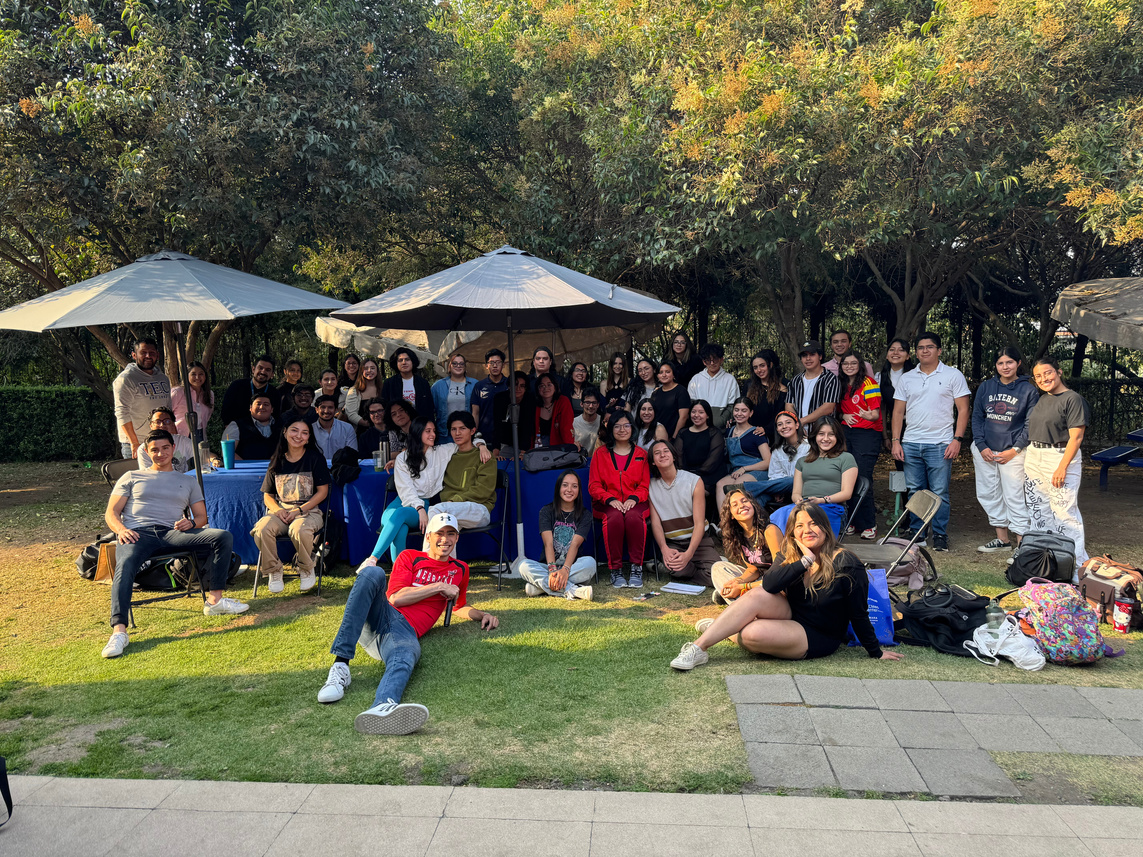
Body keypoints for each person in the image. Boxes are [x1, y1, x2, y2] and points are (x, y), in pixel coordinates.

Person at [316, 512, 500, 734]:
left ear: (457, 538)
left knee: (407, 654)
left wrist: (482, 614)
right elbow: (396, 598)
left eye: (451, 534)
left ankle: (383, 707)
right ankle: (340, 667)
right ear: (428, 536)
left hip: (403, 634)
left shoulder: (460, 569)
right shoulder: (410, 557)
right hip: (382, 615)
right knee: (372, 572)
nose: (445, 539)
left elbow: (458, 606)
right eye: (440, 534)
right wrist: (438, 586)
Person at [670, 502, 904, 669]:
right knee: (757, 595)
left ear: (825, 527)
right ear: (792, 532)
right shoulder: (792, 553)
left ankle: (721, 629)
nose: (807, 531)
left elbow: (859, 613)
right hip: (791, 612)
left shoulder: (847, 563)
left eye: (813, 524)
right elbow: (770, 585)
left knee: (752, 633)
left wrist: (875, 652)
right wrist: (803, 562)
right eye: (799, 526)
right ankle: (698, 648)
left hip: (819, 634)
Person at [101, 430, 247, 658]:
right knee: (126, 564)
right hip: (137, 534)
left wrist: (191, 523)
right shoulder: (131, 476)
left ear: (173, 449)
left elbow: (202, 517)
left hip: (172, 533)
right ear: (147, 452)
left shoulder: (187, 480)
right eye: (155, 450)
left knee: (222, 536)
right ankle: (119, 631)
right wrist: (121, 530)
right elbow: (111, 513)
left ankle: (215, 601)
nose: (160, 453)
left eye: (165, 448)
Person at [361, 418, 491, 563]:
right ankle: (400, 570)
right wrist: (419, 508)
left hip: (422, 504)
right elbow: (406, 490)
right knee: (400, 527)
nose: (433, 435)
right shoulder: (403, 458)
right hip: (403, 502)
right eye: (428, 431)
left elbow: (465, 441)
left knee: (400, 516)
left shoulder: (441, 452)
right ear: (418, 433)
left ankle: (372, 560)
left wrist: (482, 446)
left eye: (434, 431)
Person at [890, 331, 970, 552]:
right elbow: (897, 412)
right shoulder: (907, 378)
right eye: (920, 348)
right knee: (915, 491)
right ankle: (918, 533)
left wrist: (957, 439)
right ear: (915, 353)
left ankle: (940, 534)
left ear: (939, 350)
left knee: (939, 492)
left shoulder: (953, 375)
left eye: (930, 347)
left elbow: (963, 410)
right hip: (911, 443)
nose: (925, 351)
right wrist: (896, 441)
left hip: (941, 443)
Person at [1025, 357, 1090, 571]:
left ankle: (1075, 565)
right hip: (1035, 455)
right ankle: (1045, 562)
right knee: (1038, 510)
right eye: (1038, 376)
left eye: (1048, 373)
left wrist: (1062, 467)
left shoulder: (1073, 399)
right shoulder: (1043, 399)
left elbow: (1076, 437)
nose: (1044, 378)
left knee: (1064, 512)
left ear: (1059, 372)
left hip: (1059, 456)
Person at [252, 419, 332, 594]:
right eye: (294, 430)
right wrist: (278, 510)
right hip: (281, 512)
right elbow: (268, 495)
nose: (299, 436)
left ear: (309, 437)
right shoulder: (277, 460)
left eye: (304, 432)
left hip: (308, 511)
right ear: (285, 432)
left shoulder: (315, 458)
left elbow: (323, 492)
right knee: (262, 529)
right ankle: (274, 570)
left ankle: (306, 568)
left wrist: (299, 510)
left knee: (299, 529)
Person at [972, 347, 1039, 553]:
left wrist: (1015, 449)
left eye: (1009, 362)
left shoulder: (1028, 390)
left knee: (1014, 496)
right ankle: (1002, 540)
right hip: (985, 451)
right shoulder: (986, 387)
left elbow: (1030, 424)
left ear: (1018, 363)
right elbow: (977, 417)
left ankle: (1022, 544)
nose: (1005, 367)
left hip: (1013, 452)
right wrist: (981, 445)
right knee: (989, 494)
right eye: (1000, 363)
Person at [764, 416, 857, 558]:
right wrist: (798, 500)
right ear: (814, 437)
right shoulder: (803, 461)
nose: (825, 439)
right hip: (804, 506)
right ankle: (779, 561)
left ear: (838, 437)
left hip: (831, 507)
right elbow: (796, 492)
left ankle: (804, 560)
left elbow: (847, 493)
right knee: (776, 518)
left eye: (831, 434)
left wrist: (822, 500)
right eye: (821, 434)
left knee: (806, 518)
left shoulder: (846, 458)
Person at [588, 410, 651, 588]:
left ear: (632, 428)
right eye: (617, 426)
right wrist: (610, 499)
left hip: (636, 503)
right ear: (610, 429)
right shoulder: (600, 454)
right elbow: (594, 485)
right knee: (614, 517)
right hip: (606, 504)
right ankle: (615, 570)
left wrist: (633, 498)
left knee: (633, 517)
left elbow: (644, 485)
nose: (622, 430)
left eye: (626, 425)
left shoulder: (641, 454)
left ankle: (636, 568)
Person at [648, 440, 719, 586]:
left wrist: (688, 554)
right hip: (673, 543)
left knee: (715, 577)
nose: (662, 455)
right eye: (657, 453)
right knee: (679, 570)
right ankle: (681, 567)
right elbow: (656, 524)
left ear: (674, 456)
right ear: (653, 461)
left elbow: (699, 524)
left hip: (699, 541)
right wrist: (664, 549)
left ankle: (695, 565)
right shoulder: (650, 486)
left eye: (666, 451)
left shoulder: (693, 481)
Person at [518, 470, 596, 601]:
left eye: (574, 486)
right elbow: (548, 543)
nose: (569, 490)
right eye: (565, 485)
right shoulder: (546, 511)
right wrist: (552, 570)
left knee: (590, 563)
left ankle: (540, 588)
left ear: (579, 490)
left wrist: (565, 569)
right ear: (558, 487)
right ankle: (574, 590)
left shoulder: (585, 515)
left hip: (572, 566)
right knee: (523, 566)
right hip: (548, 566)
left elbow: (575, 544)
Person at [836, 350, 883, 540]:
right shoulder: (840, 384)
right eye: (846, 363)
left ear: (860, 365)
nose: (849, 367)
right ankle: (852, 521)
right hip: (846, 432)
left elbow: (875, 414)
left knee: (863, 476)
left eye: (853, 363)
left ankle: (869, 523)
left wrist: (866, 415)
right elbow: (837, 411)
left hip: (867, 434)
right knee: (846, 476)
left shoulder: (869, 383)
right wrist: (844, 415)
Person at [425, 412, 498, 532]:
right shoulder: (448, 456)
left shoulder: (484, 456)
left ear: (472, 431)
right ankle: (436, 545)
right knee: (445, 532)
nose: (457, 433)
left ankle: (428, 545)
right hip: (451, 508)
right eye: (453, 429)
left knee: (436, 511)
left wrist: (455, 500)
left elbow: (483, 490)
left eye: (462, 428)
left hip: (479, 509)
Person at [710, 487, 772, 604]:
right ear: (731, 515)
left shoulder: (769, 531)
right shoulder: (739, 537)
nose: (742, 505)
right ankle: (740, 599)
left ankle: (740, 603)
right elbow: (753, 569)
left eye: (745, 501)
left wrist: (745, 586)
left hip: (773, 582)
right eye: (735, 505)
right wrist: (738, 581)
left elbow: (781, 569)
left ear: (753, 505)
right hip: (758, 580)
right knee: (718, 567)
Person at [113, 337, 172, 458]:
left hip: (161, 441)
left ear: (157, 355)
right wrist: (134, 442)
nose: (148, 356)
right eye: (143, 352)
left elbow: (168, 411)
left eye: (152, 353)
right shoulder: (126, 379)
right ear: (134, 355)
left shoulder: (163, 378)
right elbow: (122, 412)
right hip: (138, 443)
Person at [716, 397, 772, 510]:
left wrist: (744, 468)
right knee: (720, 484)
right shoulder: (728, 432)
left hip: (756, 471)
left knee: (738, 484)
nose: (739, 414)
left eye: (744, 410)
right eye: (736, 410)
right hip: (737, 471)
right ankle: (724, 519)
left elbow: (768, 461)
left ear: (751, 413)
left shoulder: (756, 433)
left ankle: (740, 518)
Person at [743, 409, 808, 504]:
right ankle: (754, 509)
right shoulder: (777, 450)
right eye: (780, 424)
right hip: (783, 490)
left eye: (788, 422)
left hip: (803, 488)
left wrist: (782, 484)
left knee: (792, 480)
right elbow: (774, 475)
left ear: (797, 425)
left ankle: (746, 488)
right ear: (777, 429)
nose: (784, 426)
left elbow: (808, 475)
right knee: (757, 497)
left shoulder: (809, 446)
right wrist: (778, 489)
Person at [673, 400, 726, 497]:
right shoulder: (683, 432)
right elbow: (678, 457)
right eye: (693, 412)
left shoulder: (714, 433)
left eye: (701, 412)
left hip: (708, 476)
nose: (696, 415)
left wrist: (693, 476)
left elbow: (713, 461)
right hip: (686, 475)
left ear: (708, 415)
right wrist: (686, 475)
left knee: (692, 491)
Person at [786, 340, 839, 434]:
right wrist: (796, 423)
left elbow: (828, 407)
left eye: (812, 354)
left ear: (820, 356)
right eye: (804, 355)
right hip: (799, 433)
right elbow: (789, 405)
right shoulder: (795, 380)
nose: (808, 358)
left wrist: (801, 422)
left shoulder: (830, 379)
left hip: (822, 433)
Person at [878, 338, 916, 472]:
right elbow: (882, 409)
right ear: (887, 355)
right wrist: (885, 436)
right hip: (897, 427)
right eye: (892, 350)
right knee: (901, 463)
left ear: (908, 356)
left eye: (901, 350)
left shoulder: (916, 375)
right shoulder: (880, 377)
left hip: (916, 425)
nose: (896, 353)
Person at [686, 343, 739, 429]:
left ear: (721, 359)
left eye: (715, 359)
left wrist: (719, 422)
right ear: (704, 362)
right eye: (708, 360)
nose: (712, 363)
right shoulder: (696, 379)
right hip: (699, 427)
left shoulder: (730, 380)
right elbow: (691, 404)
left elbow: (733, 405)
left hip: (722, 429)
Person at [220, 355, 280, 428]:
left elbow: (276, 416)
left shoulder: (274, 393)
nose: (263, 372)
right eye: (260, 368)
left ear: (272, 374)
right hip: (238, 430)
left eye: (268, 370)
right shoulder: (237, 386)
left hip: (264, 431)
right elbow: (226, 412)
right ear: (253, 369)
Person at [432, 354, 477, 440]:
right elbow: (431, 410)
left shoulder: (475, 384)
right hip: (444, 434)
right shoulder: (438, 386)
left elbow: (478, 411)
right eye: (454, 363)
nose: (458, 366)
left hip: (467, 433)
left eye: (461, 363)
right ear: (449, 366)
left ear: (465, 366)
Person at [221, 394, 280, 461]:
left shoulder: (281, 426)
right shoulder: (236, 426)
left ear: (272, 409)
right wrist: (246, 465)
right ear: (250, 408)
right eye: (258, 404)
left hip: (276, 467)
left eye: (266, 405)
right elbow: (227, 453)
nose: (261, 407)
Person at [491, 371, 536, 459]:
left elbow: (528, 426)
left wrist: (522, 452)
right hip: (505, 443)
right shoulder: (500, 398)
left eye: (522, 386)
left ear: (526, 388)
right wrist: (496, 450)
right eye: (515, 384)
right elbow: (497, 425)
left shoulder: (530, 399)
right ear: (509, 386)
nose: (518, 388)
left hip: (525, 445)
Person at [745, 349, 787, 440]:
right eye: (755, 367)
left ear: (770, 365)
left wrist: (766, 429)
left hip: (772, 435)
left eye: (762, 366)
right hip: (750, 432)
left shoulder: (782, 389)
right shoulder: (749, 386)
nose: (759, 370)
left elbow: (780, 415)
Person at [137, 407, 196, 472]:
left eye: (167, 421)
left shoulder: (183, 441)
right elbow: (147, 474)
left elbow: (201, 458)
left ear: (173, 424)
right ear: (151, 425)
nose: (162, 425)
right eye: (157, 422)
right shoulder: (143, 449)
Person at [381, 347, 434, 419]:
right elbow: (385, 406)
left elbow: (429, 407)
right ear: (396, 363)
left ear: (413, 362)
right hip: (397, 422)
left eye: (407, 359)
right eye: (400, 360)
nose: (404, 362)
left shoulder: (423, 383)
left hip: (419, 422)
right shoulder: (389, 383)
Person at [170, 360, 213, 443]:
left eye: (201, 374)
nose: (197, 377)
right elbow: (167, 413)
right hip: (180, 435)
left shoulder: (209, 394)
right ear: (187, 376)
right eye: (193, 374)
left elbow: (208, 415)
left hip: (200, 435)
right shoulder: (178, 392)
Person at [471, 349, 508, 442]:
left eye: (498, 362)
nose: (495, 366)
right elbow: (475, 412)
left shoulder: (509, 384)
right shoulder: (479, 386)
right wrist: (474, 433)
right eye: (491, 363)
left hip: (506, 435)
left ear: (503, 365)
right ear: (486, 366)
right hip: (484, 436)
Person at [532, 371, 575, 447]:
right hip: (538, 447)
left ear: (555, 387)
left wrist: (570, 446)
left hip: (559, 447)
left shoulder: (563, 401)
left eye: (549, 385)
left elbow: (566, 428)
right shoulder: (534, 404)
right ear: (538, 389)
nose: (546, 388)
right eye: (542, 386)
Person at [651, 361, 692, 439]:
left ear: (673, 374)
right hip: (658, 436)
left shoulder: (681, 391)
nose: (664, 375)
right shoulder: (655, 393)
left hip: (675, 437)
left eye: (667, 372)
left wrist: (674, 437)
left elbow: (683, 417)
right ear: (658, 376)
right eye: (661, 372)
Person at [312, 394, 358, 459]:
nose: (326, 411)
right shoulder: (310, 429)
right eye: (323, 407)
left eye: (330, 407)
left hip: (341, 465)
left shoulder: (347, 428)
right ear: (316, 410)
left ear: (336, 410)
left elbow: (352, 453)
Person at [344, 358, 383, 429]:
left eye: (372, 368)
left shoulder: (383, 389)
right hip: (362, 430)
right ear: (361, 371)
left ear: (377, 370)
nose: (369, 370)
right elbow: (351, 414)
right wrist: (368, 424)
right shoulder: (354, 391)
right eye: (366, 368)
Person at [384, 400, 417, 467]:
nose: (398, 415)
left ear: (408, 411)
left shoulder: (419, 426)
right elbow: (391, 454)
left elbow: (421, 451)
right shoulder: (393, 432)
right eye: (394, 414)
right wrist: (405, 452)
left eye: (401, 410)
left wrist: (403, 453)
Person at [572, 389, 604, 454]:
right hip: (579, 458)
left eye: (594, 403)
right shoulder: (573, 423)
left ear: (598, 405)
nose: (591, 406)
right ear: (581, 404)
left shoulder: (603, 421)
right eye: (587, 402)